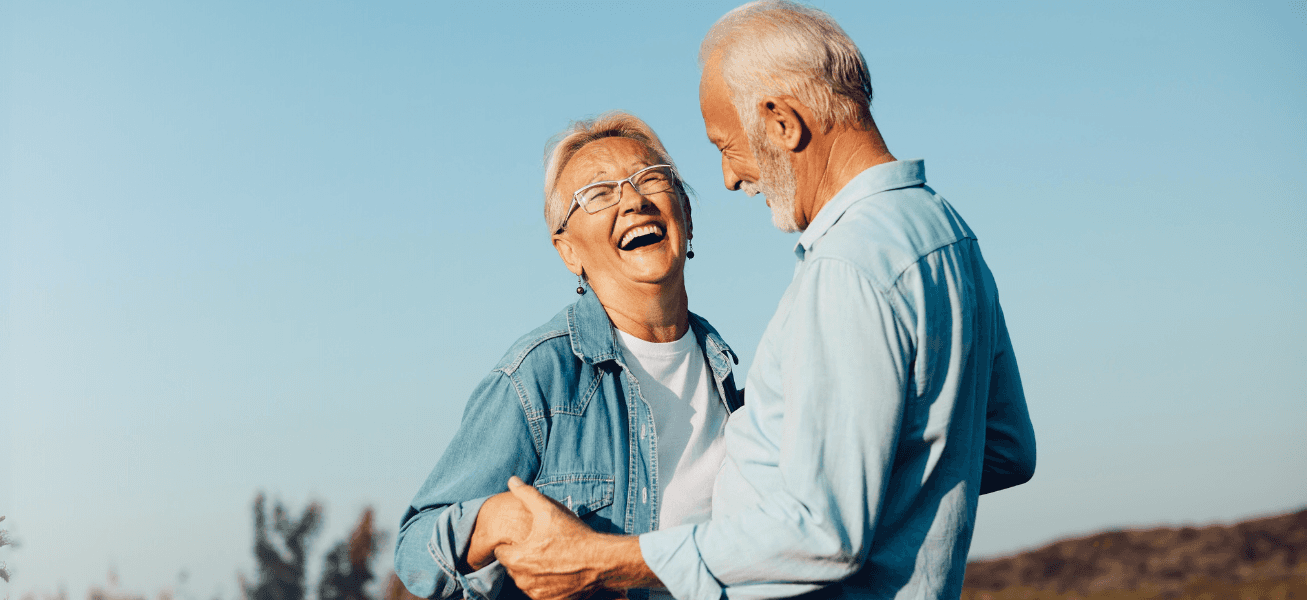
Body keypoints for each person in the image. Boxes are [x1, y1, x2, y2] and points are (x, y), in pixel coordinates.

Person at [490, 3, 1038, 600]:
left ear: (782, 123)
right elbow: (1007, 449)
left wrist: (606, 559)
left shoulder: (846, 268)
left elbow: (822, 534)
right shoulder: (944, 230)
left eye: (727, 145)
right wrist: (868, 474)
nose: (728, 177)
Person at [394, 111, 740, 600]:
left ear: (685, 212)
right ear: (568, 251)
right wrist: (494, 519)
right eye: (599, 194)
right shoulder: (539, 375)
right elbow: (414, 548)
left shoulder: (733, 381)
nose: (635, 201)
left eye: (650, 179)